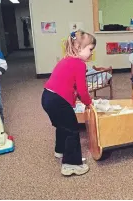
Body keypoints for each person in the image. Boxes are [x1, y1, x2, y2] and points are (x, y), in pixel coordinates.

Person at [41, 30, 95, 176]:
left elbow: (67, 83)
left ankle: (60, 151)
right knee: (72, 129)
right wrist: (89, 103)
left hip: (47, 97)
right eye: (90, 49)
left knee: (62, 126)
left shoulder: (65, 60)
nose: (91, 53)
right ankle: (71, 164)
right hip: (58, 101)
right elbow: (83, 90)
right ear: (78, 47)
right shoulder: (79, 64)